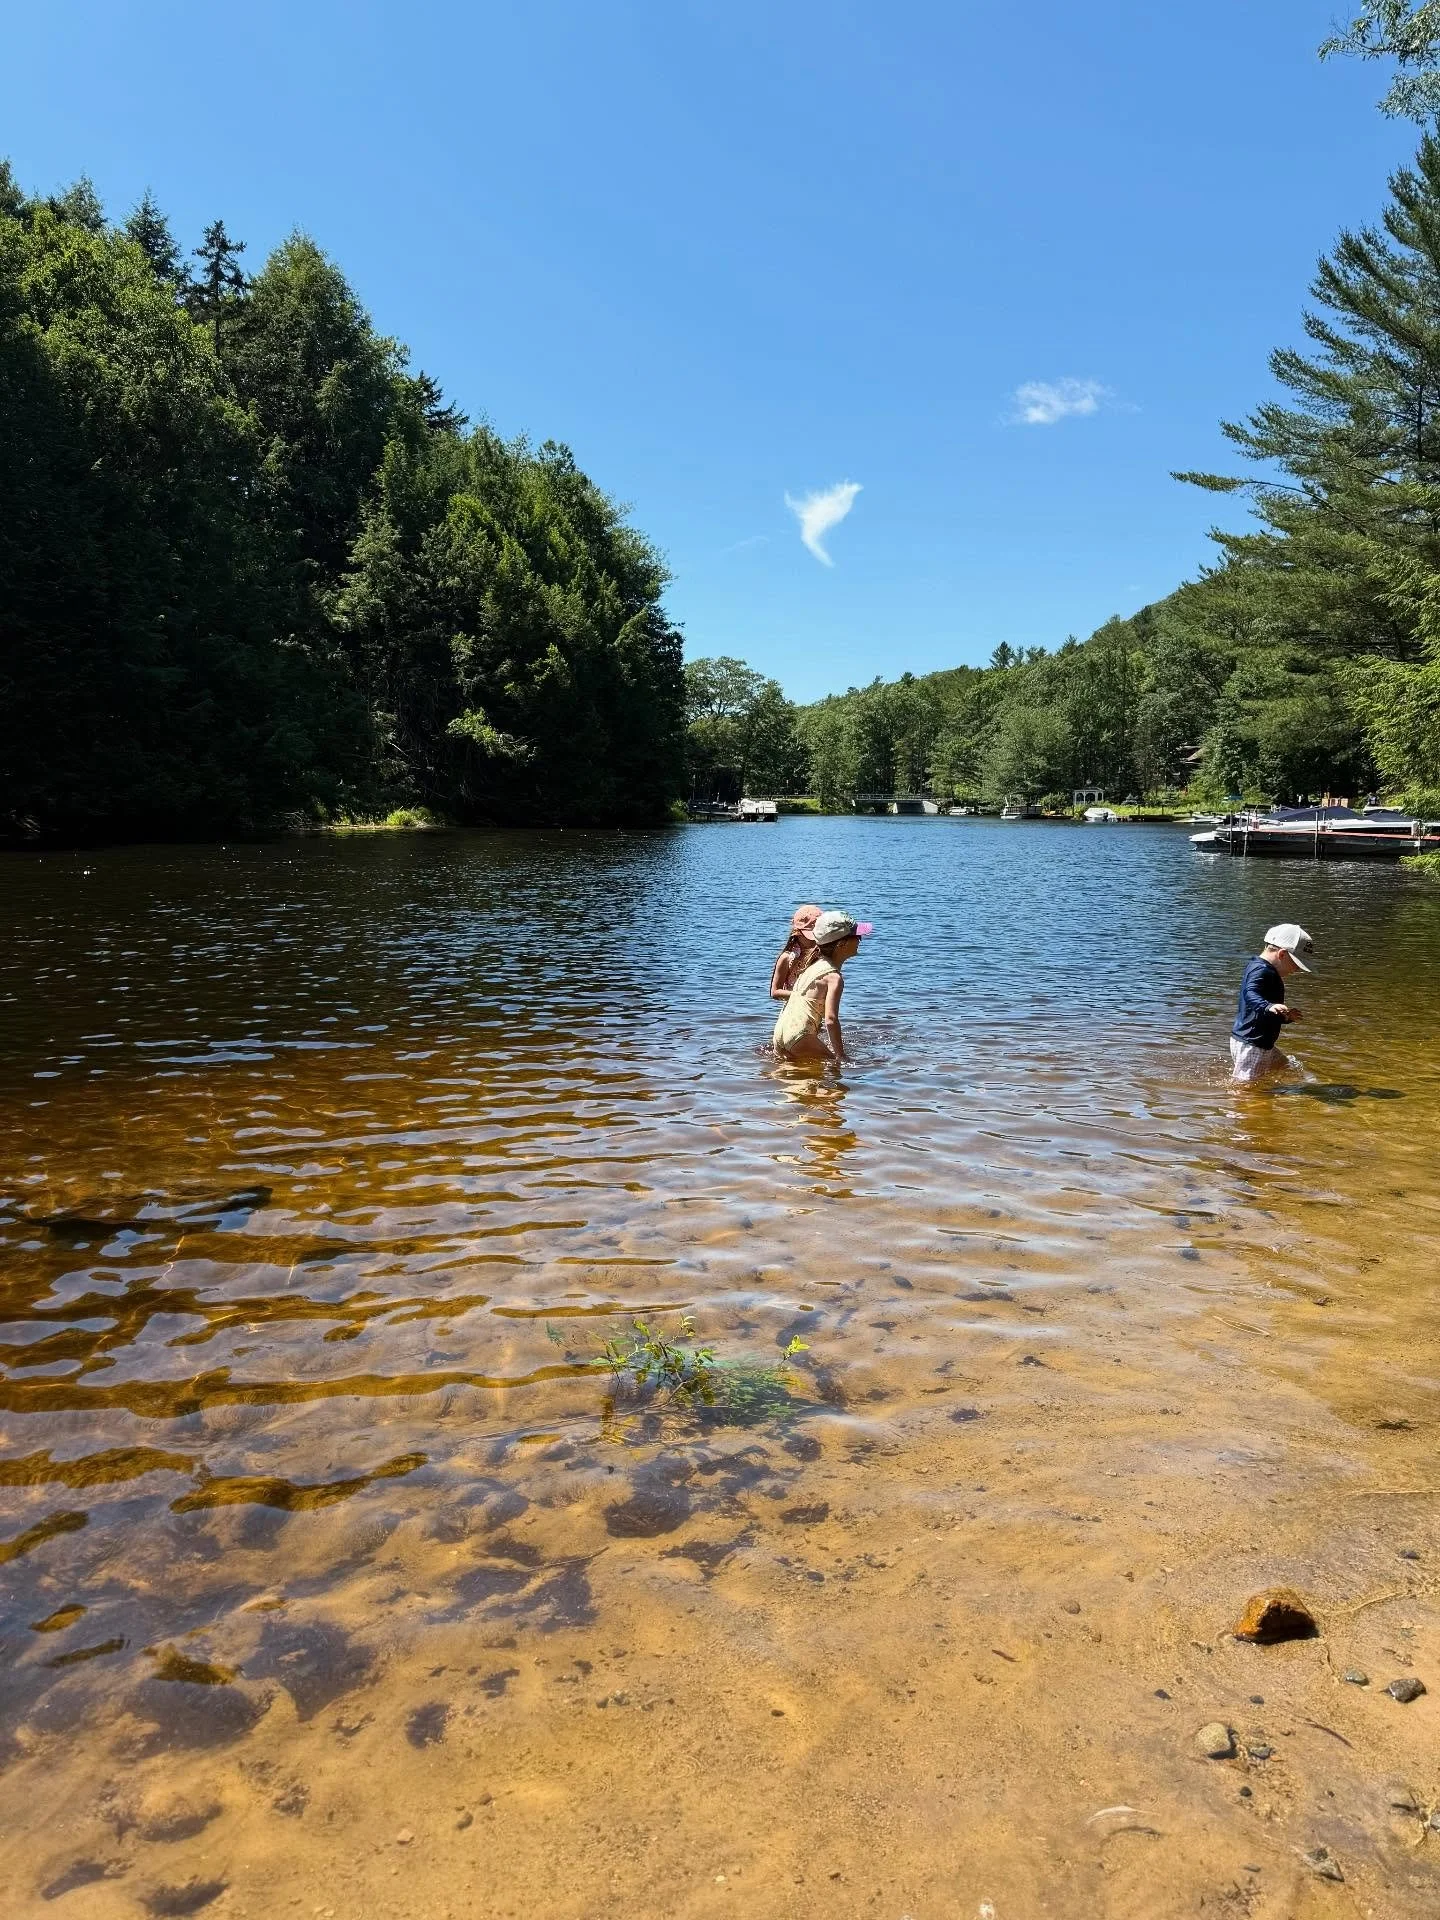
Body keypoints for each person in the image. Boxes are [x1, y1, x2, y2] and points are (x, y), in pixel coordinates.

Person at [771, 910, 872, 1062]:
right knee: (836, 1064)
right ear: (842, 944)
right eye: (857, 937)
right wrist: (841, 1055)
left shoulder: (812, 966)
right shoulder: (833, 977)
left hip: (781, 1032)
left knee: (796, 1073)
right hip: (800, 1036)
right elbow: (831, 1019)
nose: (860, 940)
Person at [1230, 922, 1314, 1084]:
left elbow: (1263, 1012)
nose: (1297, 970)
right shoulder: (1261, 970)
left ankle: (1293, 1090)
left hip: (1260, 1042)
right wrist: (1268, 1006)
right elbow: (1250, 993)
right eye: (1296, 964)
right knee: (1245, 1086)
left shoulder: (1264, 969)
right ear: (1282, 954)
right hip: (1253, 1043)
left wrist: (1285, 1017)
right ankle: (1240, 1101)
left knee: (1287, 1067)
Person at [770, 905, 822, 1001]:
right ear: (797, 933)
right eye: (809, 936)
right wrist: (804, 995)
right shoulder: (787, 958)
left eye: (818, 936)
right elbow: (775, 992)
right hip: (795, 1007)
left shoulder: (822, 955)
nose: (813, 940)